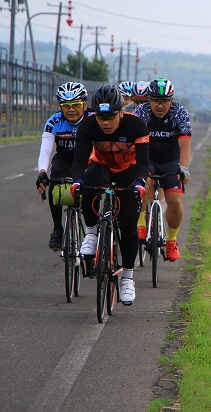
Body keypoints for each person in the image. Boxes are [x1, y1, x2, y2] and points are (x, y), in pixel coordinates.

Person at [70, 84, 149, 305]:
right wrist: (77, 181)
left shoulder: (135, 125)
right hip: (102, 166)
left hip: (129, 171)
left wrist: (141, 183)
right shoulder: (88, 125)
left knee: (128, 223)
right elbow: (79, 161)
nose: (105, 122)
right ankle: (92, 233)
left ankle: (127, 278)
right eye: (100, 117)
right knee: (89, 184)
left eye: (111, 117)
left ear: (120, 112)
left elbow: (144, 163)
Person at [133, 78, 191, 261]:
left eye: (165, 101)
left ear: (171, 101)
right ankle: (141, 222)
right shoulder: (140, 112)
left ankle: (171, 240)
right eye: (156, 100)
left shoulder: (179, 113)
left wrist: (183, 168)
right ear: (148, 99)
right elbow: (131, 143)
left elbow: (184, 144)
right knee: (143, 183)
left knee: (175, 200)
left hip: (170, 161)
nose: (160, 105)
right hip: (146, 159)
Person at [36, 81, 89, 250]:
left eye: (75, 105)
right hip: (64, 160)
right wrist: (42, 172)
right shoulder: (54, 121)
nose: (71, 109)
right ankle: (58, 228)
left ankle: (90, 235)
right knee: (54, 183)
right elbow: (45, 150)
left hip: (88, 160)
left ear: (85, 105)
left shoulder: (93, 120)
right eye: (66, 105)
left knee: (89, 191)